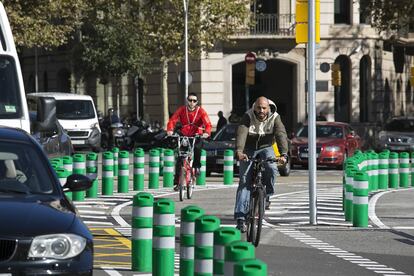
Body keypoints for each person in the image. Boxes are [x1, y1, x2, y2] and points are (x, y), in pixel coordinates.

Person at [234, 96, 289, 232]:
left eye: (264, 108)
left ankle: (267, 195)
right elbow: (241, 133)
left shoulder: (275, 117)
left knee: (271, 167)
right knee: (244, 181)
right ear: (254, 107)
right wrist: (240, 151)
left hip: (266, 146)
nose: (261, 110)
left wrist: (284, 154)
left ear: (268, 109)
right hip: (248, 147)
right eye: (258, 107)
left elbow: (281, 134)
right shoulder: (248, 116)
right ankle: (241, 218)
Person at [166, 92, 212, 190]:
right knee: (180, 156)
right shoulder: (182, 109)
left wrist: (206, 133)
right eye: (190, 100)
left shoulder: (201, 111)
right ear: (187, 101)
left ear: (197, 102)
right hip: (184, 135)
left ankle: (196, 166)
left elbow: (208, 124)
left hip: (197, 135)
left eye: (194, 101)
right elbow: (172, 120)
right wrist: (170, 130)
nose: (192, 102)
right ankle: (177, 182)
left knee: (197, 147)